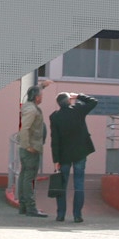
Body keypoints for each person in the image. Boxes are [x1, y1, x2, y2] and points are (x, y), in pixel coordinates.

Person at [48, 92, 99, 223]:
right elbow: (93, 102)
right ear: (69, 101)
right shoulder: (78, 110)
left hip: (64, 156)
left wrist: (56, 160)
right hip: (80, 153)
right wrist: (78, 96)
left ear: (58, 103)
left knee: (62, 185)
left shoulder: (55, 117)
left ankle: (61, 215)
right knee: (79, 184)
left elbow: (55, 140)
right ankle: (77, 215)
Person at [16, 79, 51, 217]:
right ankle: (30, 207)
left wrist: (42, 85)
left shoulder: (28, 105)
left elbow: (30, 93)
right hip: (30, 148)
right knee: (28, 177)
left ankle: (23, 206)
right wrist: (28, 145)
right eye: (41, 95)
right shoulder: (31, 110)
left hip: (29, 147)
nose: (42, 97)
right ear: (37, 98)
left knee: (25, 175)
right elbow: (25, 129)